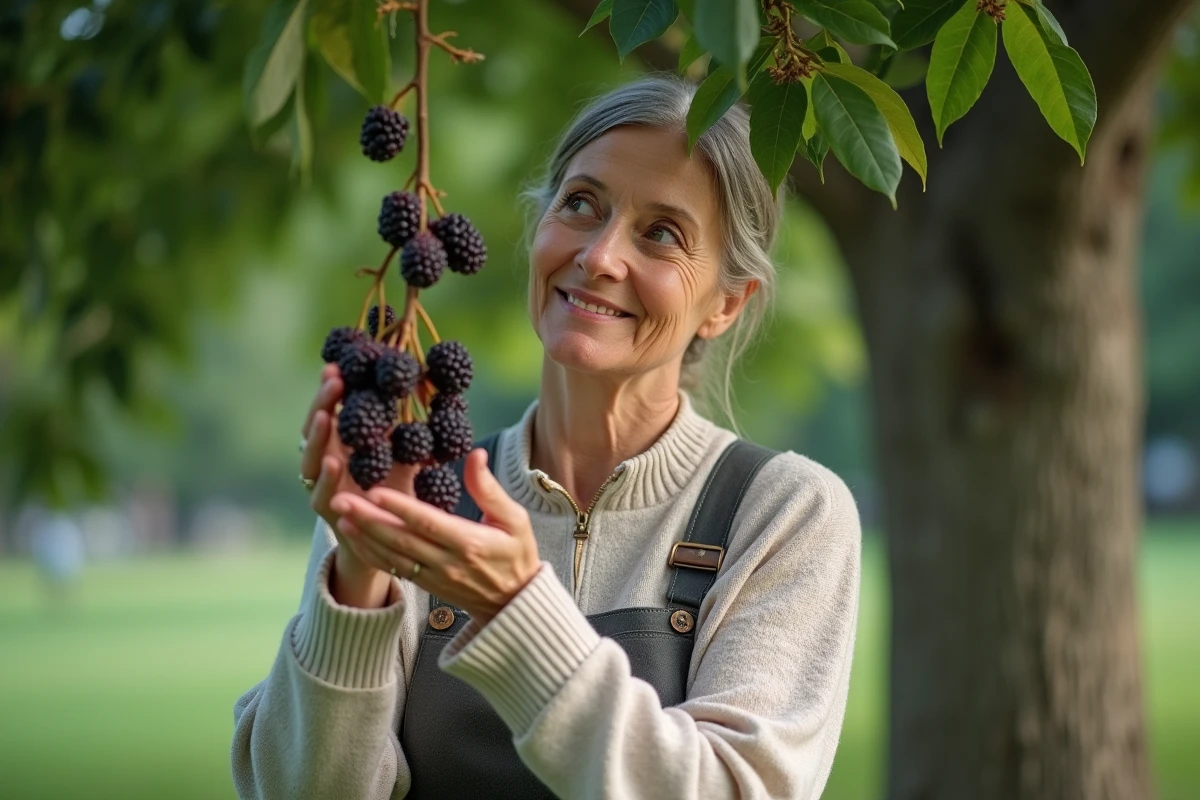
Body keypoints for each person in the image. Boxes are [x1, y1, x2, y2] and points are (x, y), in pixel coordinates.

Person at [232, 73, 861, 800]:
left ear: (726, 303)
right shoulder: (409, 486)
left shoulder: (786, 513)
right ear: (539, 228)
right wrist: (357, 575)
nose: (598, 256)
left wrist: (514, 607)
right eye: (581, 205)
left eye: (662, 233)